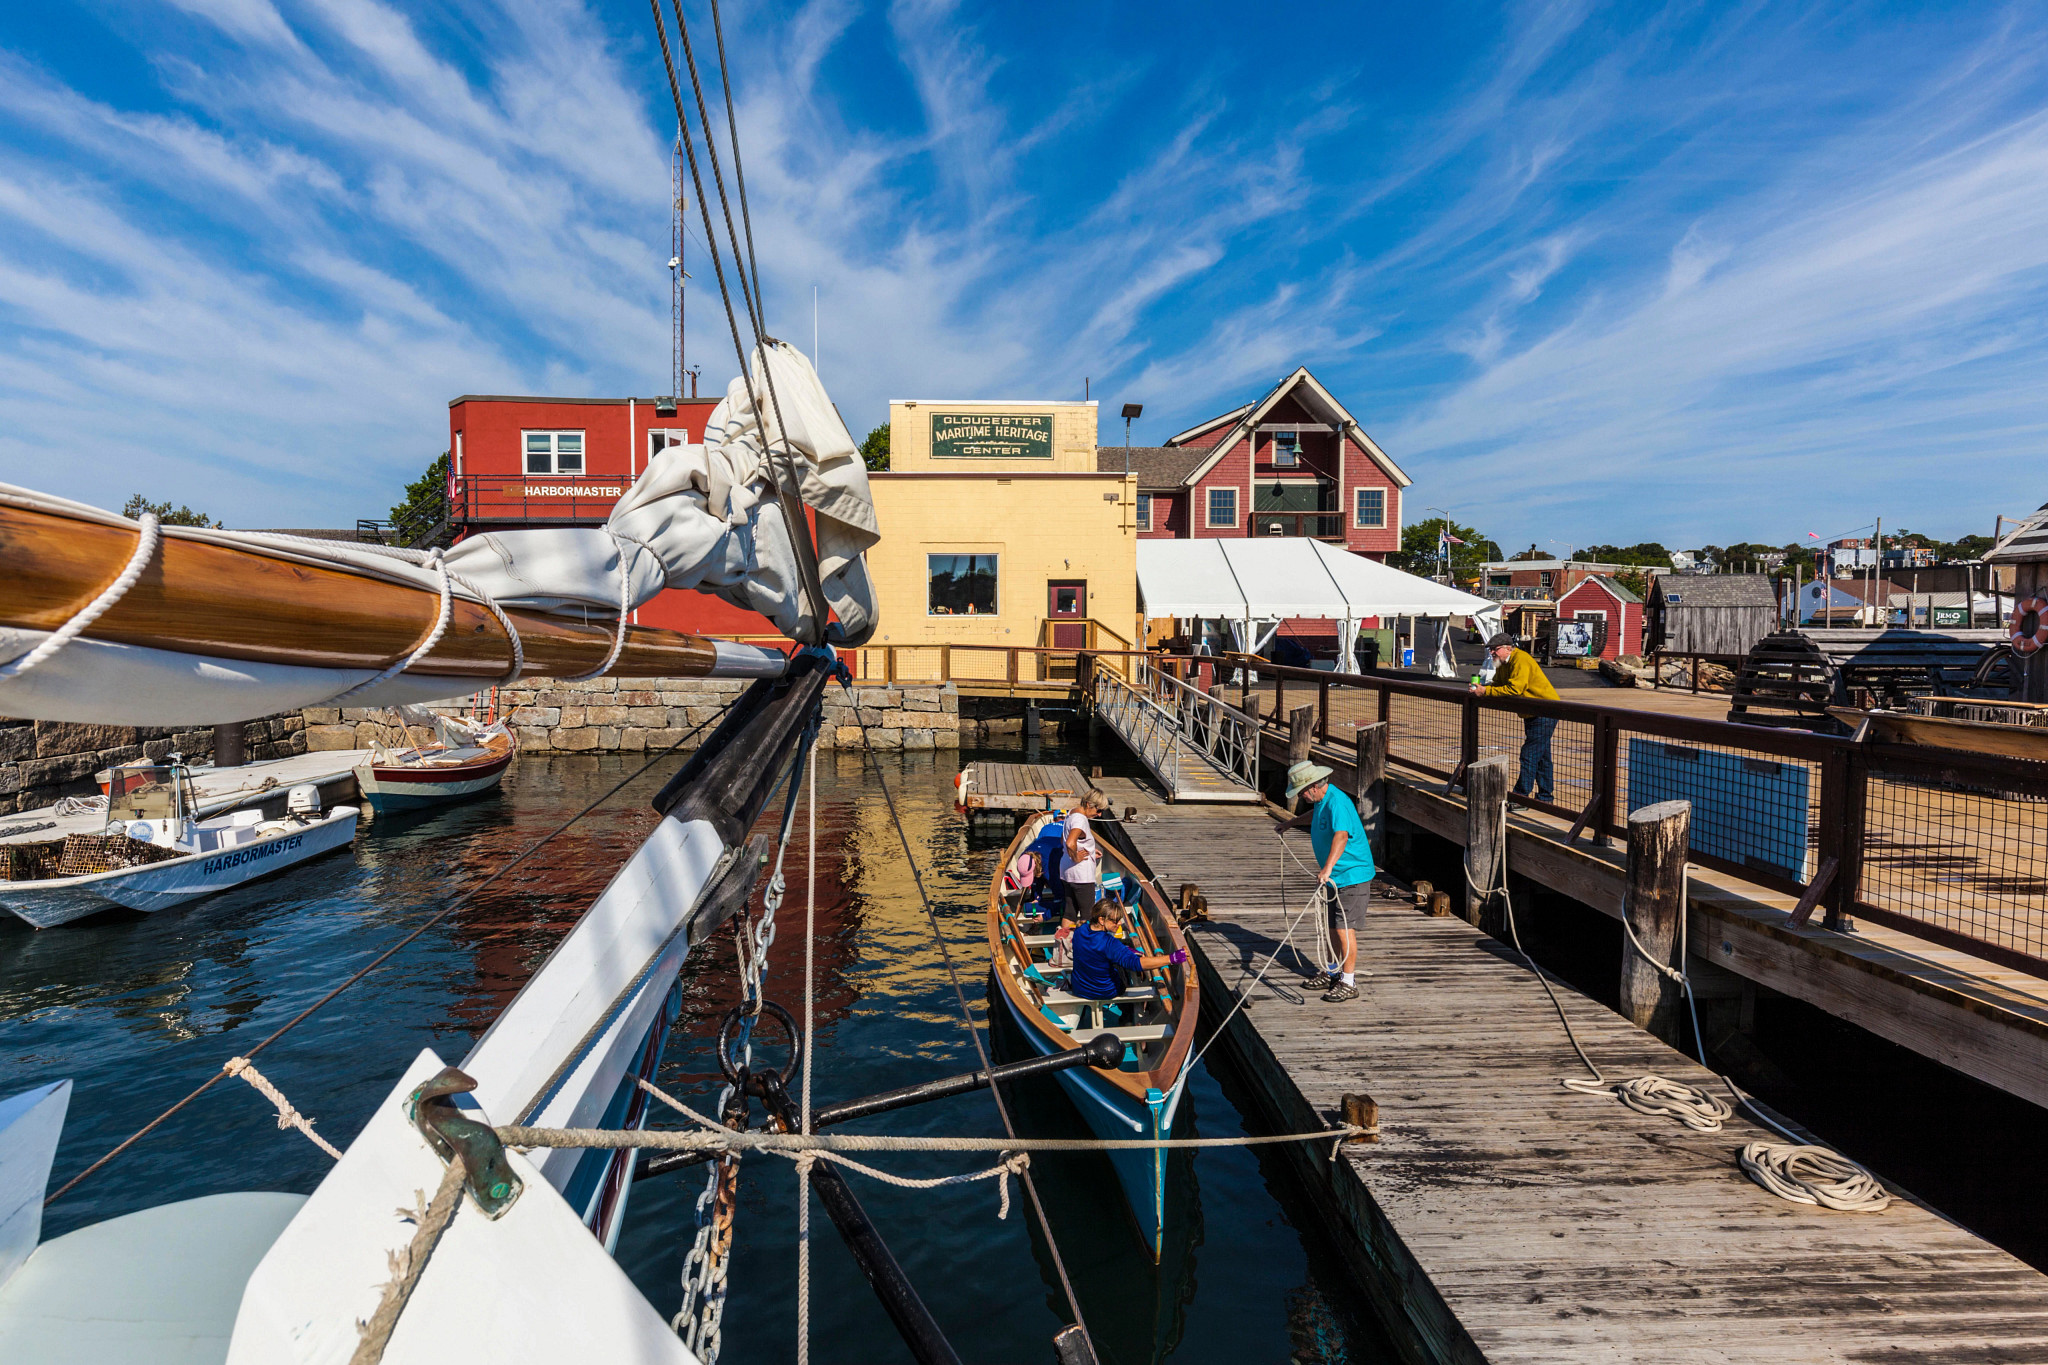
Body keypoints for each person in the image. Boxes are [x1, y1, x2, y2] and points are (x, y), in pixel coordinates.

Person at [1275, 760, 1375, 1003]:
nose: (1301, 797)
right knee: (1330, 927)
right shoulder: (1322, 802)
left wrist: (1327, 867)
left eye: (1301, 793)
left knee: (1343, 928)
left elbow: (1341, 836)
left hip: (1352, 875)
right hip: (1334, 879)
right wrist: (1291, 823)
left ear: (1312, 787)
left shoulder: (1338, 802)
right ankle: (1332, 972)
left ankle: (1348, 982)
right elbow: (1315, 815)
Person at [1470, 630, 1560, 804]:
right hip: (1533, 711)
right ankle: (1545, 797)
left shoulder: (1521, 659)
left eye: (1494, 649)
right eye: (1490, 649)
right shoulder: (1503, 662)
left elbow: (1515, 688)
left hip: (1545, 710)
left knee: (1529, 754)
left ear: (1507, 648)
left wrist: (1485, 691)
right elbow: (1499, 683)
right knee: (1542, 757)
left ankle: (1520, 797)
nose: (1492, 653)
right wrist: (1482, 688)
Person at [1069, 896, 1185, 1005]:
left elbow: (1095, 949)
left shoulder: (1080, 931)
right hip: (1105, 992)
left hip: (1079, 988)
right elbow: (1136, 964)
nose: (1119, 924)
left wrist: (1125, 950)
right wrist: (1172, 958)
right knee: (1122, 968)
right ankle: (1127, 1014)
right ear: (1101, 920)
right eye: (1115, 921)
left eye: (1120, 919)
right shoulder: (1110, 943)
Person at [1060, 788, 1110, 929]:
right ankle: (1086, 947)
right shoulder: (1080, 820)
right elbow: (1070, 842)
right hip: (1081, 876)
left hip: (1066, 871)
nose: (1099, 815)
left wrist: (1088, 850)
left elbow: (1062, 841)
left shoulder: (1071, 813)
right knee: (1088, 916)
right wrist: (1076, 857)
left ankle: (1065, 944)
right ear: (1089, 804)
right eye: (1098, 810)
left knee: (1070, 912)